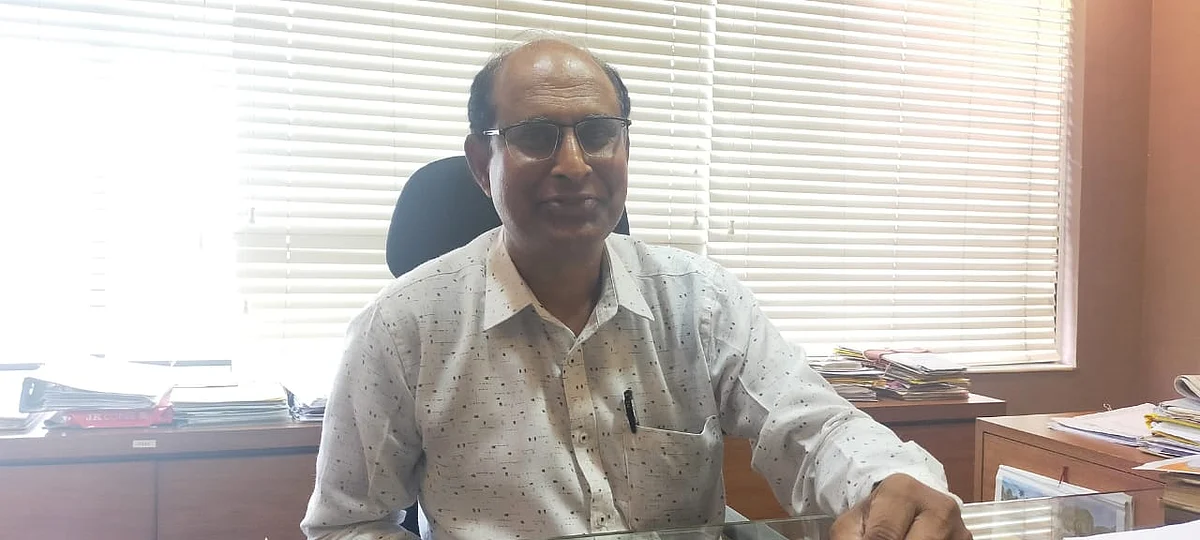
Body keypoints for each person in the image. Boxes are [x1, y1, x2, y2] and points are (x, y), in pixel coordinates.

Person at [301, 38, 972, 540]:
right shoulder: (402, 328)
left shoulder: (701, 301)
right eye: (537, 137)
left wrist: (886, 481)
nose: (574, 164)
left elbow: (813, 426)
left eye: (598, 134)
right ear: (483, 164)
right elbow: (345, 524)